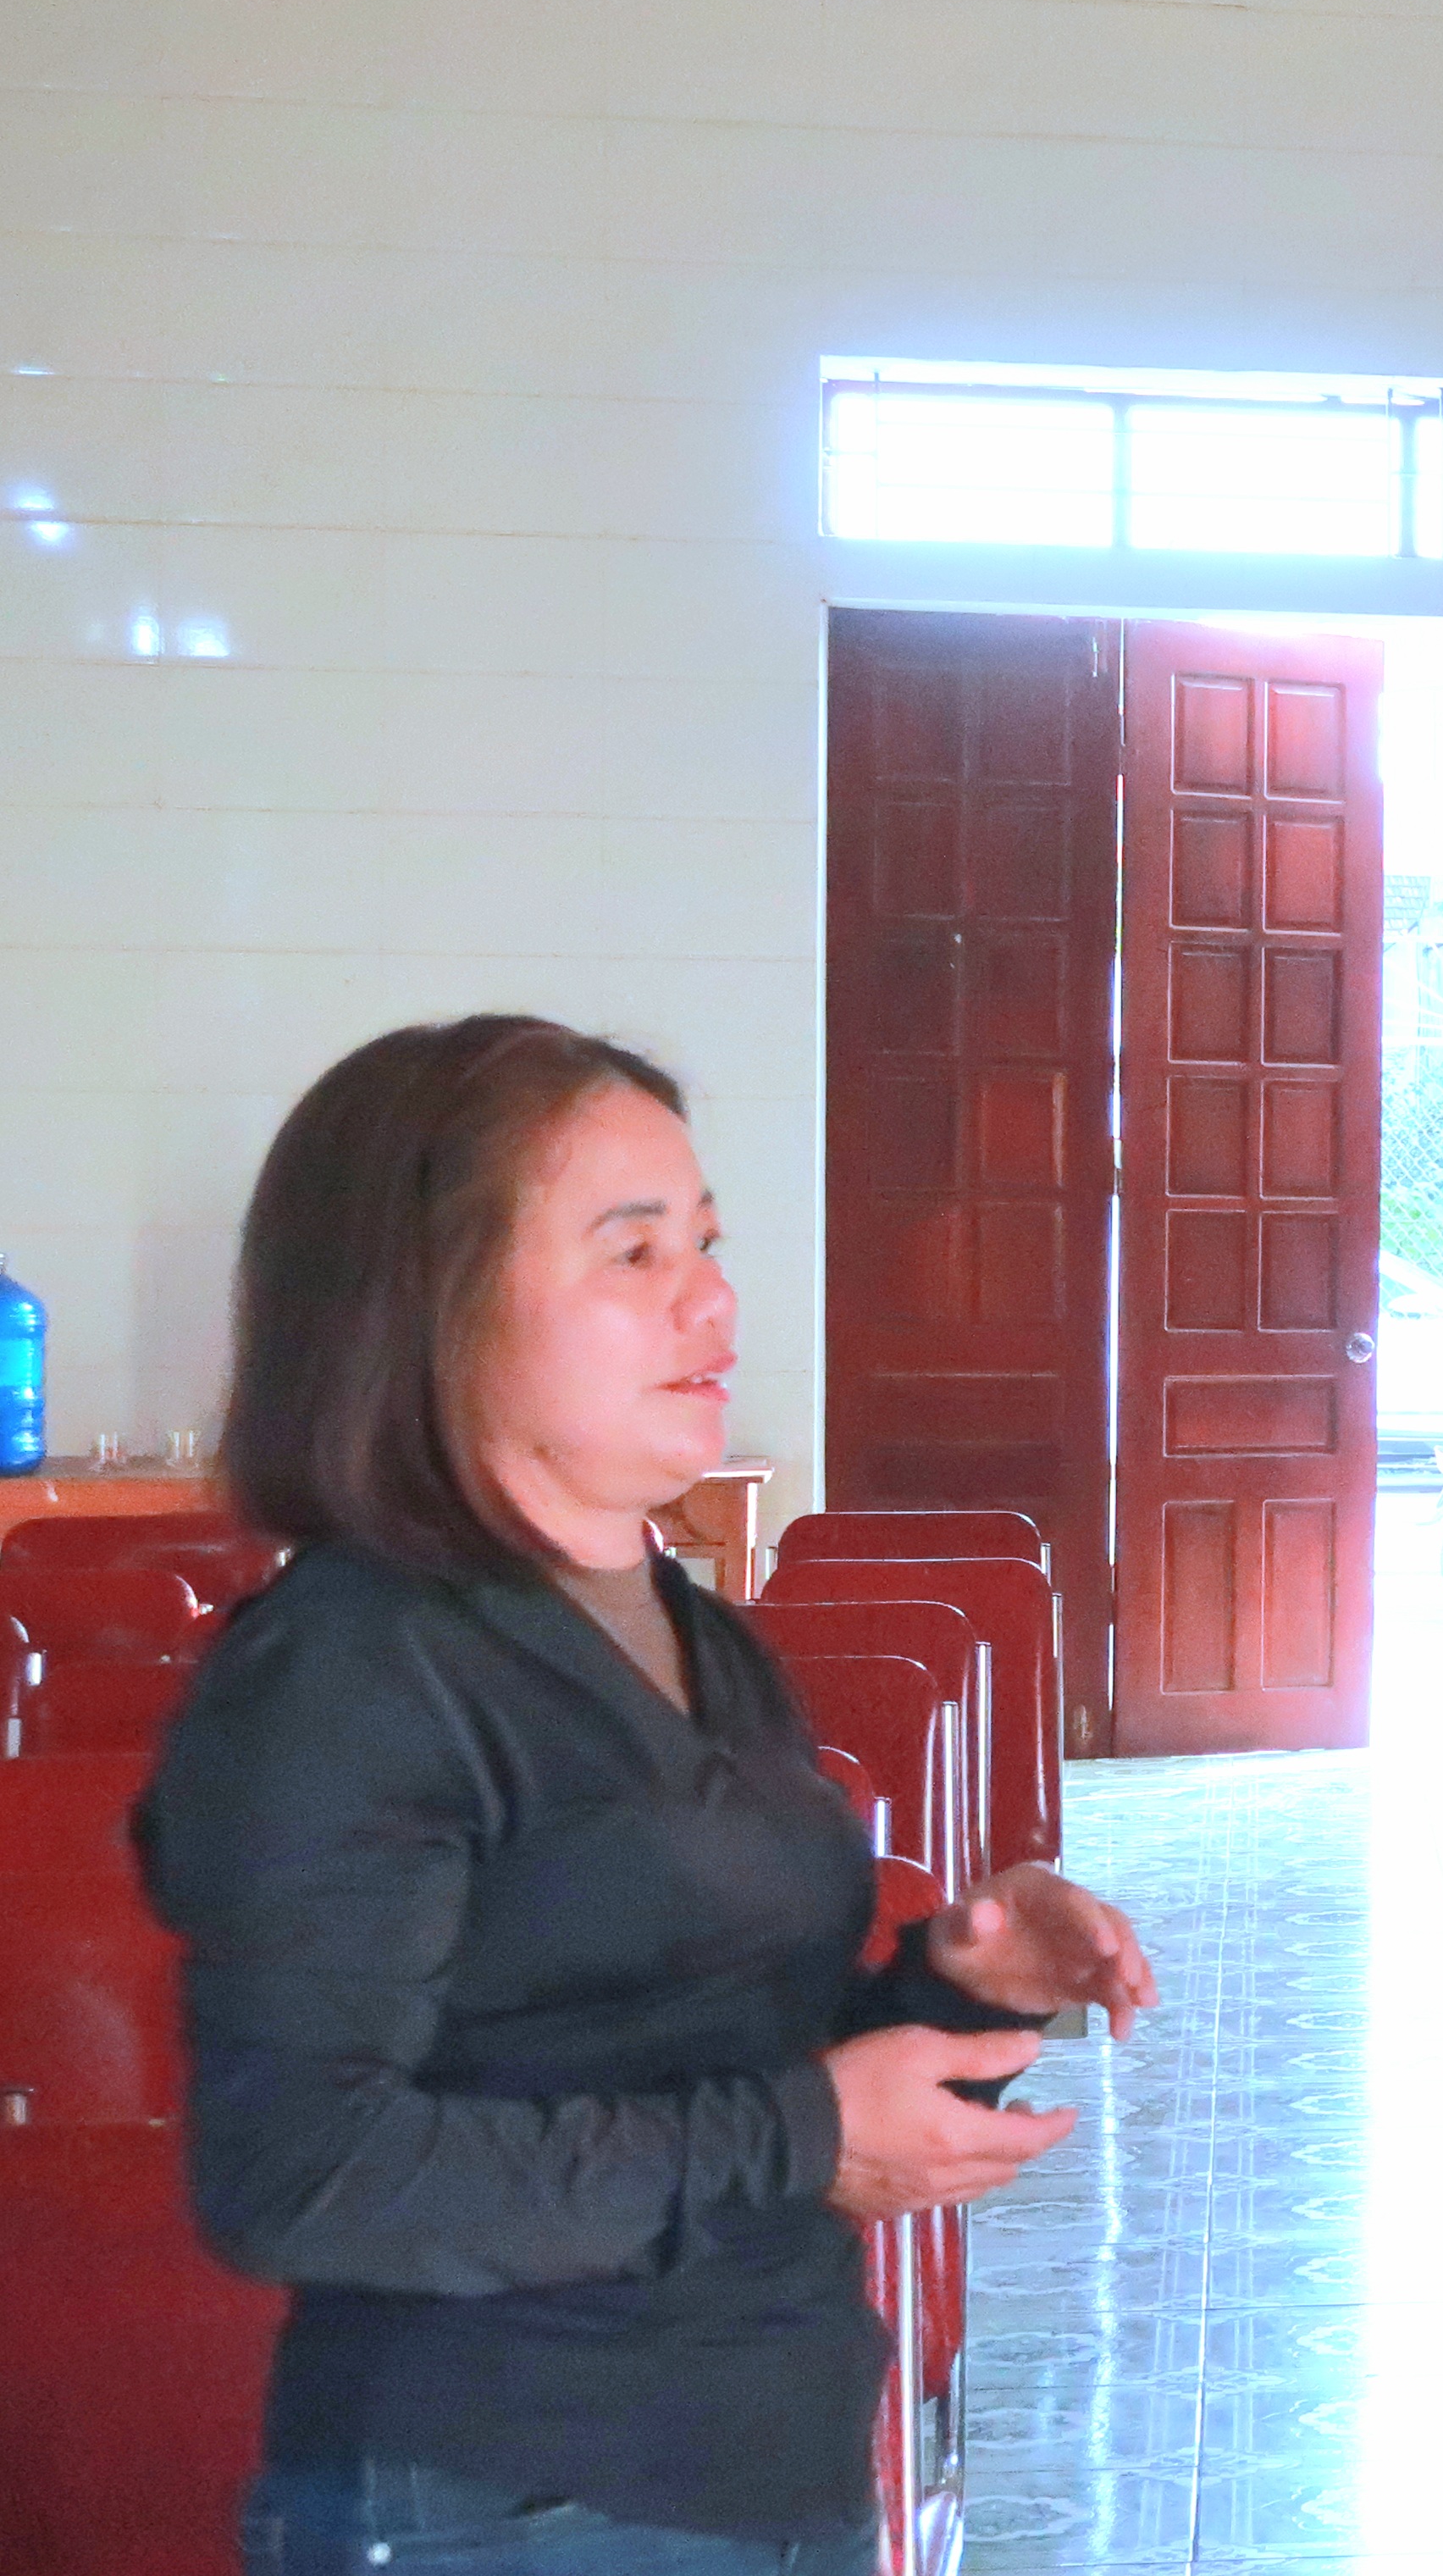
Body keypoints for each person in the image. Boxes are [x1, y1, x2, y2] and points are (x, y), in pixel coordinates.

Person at [141, 1015, 1159, 2576]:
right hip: (508, 2501)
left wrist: (956, 1989)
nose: (713, 1301)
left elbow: (722, 2054)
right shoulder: (352, 1669)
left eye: (706, 1243)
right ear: (428, 1304)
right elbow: (302, 2176)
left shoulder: (685, 1628)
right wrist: (801, 2133)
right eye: (634, 1254)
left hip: (761, 2463)